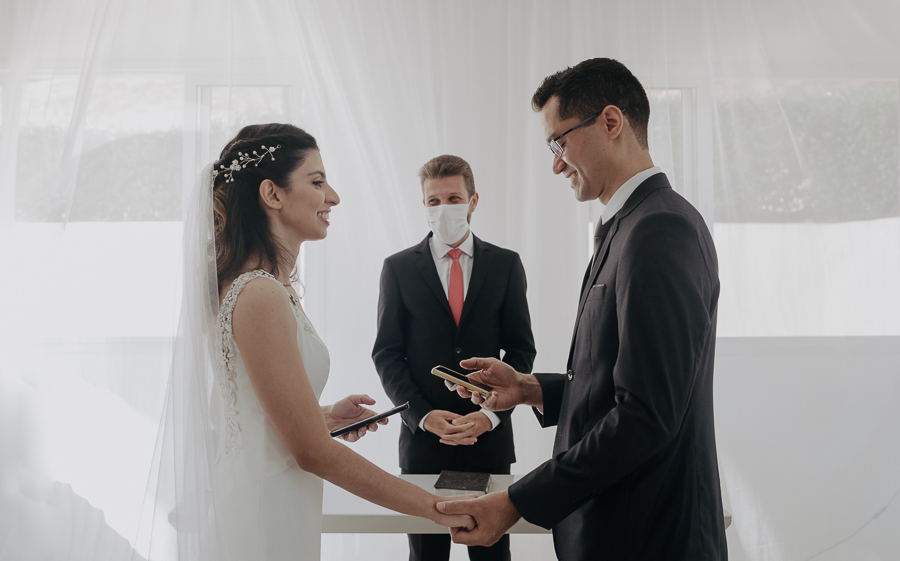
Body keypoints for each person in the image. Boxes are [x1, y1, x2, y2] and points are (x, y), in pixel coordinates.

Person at [136, 124, 473, 561]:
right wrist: (436, 508)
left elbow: (252, 413)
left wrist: (325, 415)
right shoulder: (259, 294)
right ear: (272, 195)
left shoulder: (263, 288)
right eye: (317, 182)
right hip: (264, 507)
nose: (332, 197)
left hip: (273, 495)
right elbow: (312, 452)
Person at [437, 59, 728, 560]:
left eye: (559, 142)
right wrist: (527, 389)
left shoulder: (659, 231)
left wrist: (515, 501)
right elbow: (623, 382)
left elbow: (646, 414)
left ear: (611, 122)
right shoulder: (630, 225)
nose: (555, 163)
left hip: (648, 537)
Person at [372, 155, 536, 561]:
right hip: (424, 445)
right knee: (426, 557)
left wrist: (491, 414)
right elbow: (387, 354)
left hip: (489, 441)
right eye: (433, 201)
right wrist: (423, 416)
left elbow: (521, 349)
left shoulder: (505, 264)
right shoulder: (397, 269)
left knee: (493, 557)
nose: (443, 208)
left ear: (473, 200)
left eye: (453, 197)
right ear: (423, 204)